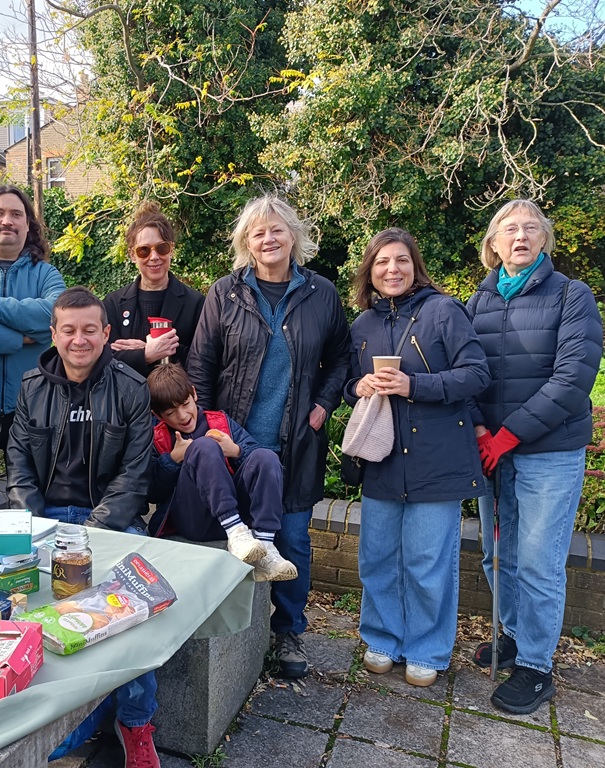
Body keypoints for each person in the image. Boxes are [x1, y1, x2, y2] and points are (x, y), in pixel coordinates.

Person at [187, 194, 351, 679]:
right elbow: (200, 365)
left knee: (293, 540)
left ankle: (288, 631)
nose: (269, 238)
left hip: (295, 442)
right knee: (231, 536)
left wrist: (323, 405)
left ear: (294, 236)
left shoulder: (322, 294)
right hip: (234, 443)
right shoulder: (224, 294)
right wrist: (207, 428)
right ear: (246, 243)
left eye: (277, 229)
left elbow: (341, 357)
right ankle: (227, 632)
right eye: (258, 232)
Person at [5, 286, 159, 768]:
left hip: (112, 522)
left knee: (136, 608)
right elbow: (17, 464)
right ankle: (44, 716)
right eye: (68, 330)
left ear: (107, 333)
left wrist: (88, 534)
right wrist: (36, 524)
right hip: (44, 518)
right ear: (53, 333)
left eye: (89, 329)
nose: (79, 340)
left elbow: (136, 475)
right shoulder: (31, 387)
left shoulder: (132, 388)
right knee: (6, 598)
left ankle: (136, 724)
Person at [466, 199, 603, 714]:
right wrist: (481, 428)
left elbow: (572, 380)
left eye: (530, 229)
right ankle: (513, 636)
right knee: (499, 555)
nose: (519, 237)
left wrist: (509, 435)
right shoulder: (477, 302)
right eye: (508, 229)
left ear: (544, 240)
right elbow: (469, 370)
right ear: (493, 244)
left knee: (540, 563)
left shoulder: (572, 295)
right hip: (493, 452)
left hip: (549, 453)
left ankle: (537, 667)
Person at [344, 228, 490, 687]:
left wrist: (415, 386)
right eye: (383, 262)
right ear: (370, 271)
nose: (393, 269)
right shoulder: (362, 325)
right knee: (378, 558)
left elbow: (476, 374)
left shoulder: (444, 311)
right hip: (383, 459)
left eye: (401, 260)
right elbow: (349, 386)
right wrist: (359, 388)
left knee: (427, 563)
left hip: (438, 459)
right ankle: (383, 638)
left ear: (415, 265)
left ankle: (427, 648)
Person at [0, 184, 66, 508]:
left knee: (33, 505)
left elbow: (55, 314)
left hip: (31, 410)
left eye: (16, 214)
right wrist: (25, 337)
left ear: (28, 224)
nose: (8, 220)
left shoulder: (46, 273)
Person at [145, 364, 297, 581]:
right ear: (157, 415)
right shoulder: (156, 437)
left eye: (185, 404)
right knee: (204, 447)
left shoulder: (220, 421)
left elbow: (259, 462)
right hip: (194, 519)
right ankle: (235, 532)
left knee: (266, 456)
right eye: (171, 413)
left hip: (238, 514)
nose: (182, 415)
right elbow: (152, 492)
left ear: (194, 394)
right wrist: (172, 459)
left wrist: (235, 450)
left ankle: (266, 546)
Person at [103, 202, 205, 375]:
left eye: (161, 248)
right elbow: (103, 358)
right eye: (144, 250)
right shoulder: (112, 304)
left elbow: (203, 362)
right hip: (127, 400)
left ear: (171, 249)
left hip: (175, 401)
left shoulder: (195, 303)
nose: (154, 257)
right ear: (132, 255)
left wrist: (159, 351)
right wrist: (144, 354)